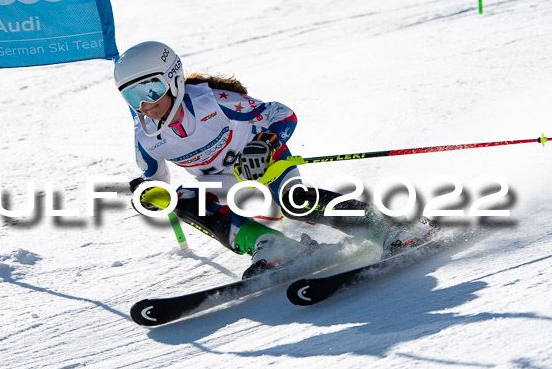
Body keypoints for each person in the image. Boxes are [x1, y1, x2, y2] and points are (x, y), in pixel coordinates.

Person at [113, 41, 433, 279]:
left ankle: (389, 226)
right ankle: (272, 245)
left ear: (173, 79)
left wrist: (264, 144)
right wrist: (148, 194)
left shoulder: (214, 100)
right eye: (132, 96)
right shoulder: (146, 137)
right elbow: (157, 181)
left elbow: (284, 115)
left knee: (294, 202)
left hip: (265, 164)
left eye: (151, 90)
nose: (144, 104)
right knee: (179, 199)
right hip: (227, 186)